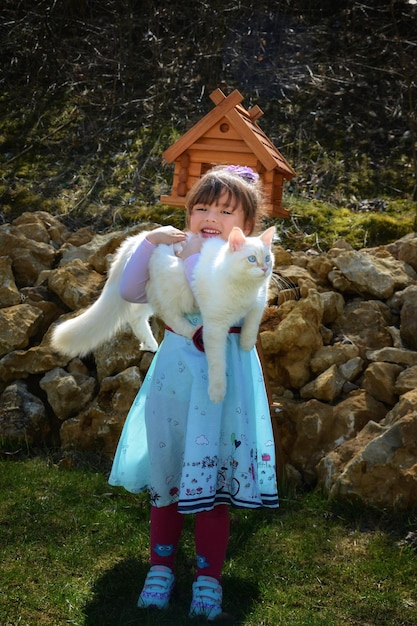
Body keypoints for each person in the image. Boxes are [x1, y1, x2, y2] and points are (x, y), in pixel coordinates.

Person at [108, 165, 278, 620]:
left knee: (216, 477)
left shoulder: (245, 259)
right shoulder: (178, 250)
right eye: (201, 207)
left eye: (225, 210)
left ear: (247, 224)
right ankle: (160, 568)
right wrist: (152, 243)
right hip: (177, 380)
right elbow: (130, 289)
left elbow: (243, 311)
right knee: (169, 471)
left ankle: (208, 576)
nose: (210, 216)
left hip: (226, 385)